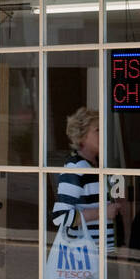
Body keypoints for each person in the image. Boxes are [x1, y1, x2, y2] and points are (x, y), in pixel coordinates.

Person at [53, 107, 119, 255]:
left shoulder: (101, 166)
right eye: (97, 130)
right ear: (81, 136)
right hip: (83, 257)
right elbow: (61, 216)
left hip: (105, 252)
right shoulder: (75, 167)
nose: (103, 134)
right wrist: (102, 212)